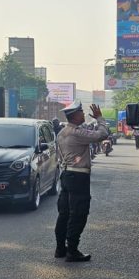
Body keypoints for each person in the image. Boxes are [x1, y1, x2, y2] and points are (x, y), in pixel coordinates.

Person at [54, 100, 109, 262]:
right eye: (81, 112)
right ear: (75, 116)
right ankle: (72, 251)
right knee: (78, 213)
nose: (84, 114)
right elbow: (102, 135)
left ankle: (60, 248)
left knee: (64, 214)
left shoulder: (62, 133)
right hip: (78, 177)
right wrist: (100, 119)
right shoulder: (76, 133)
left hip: (66, 174)